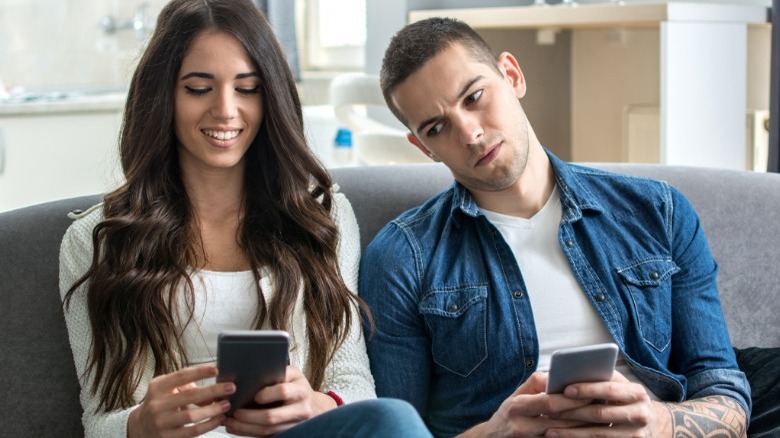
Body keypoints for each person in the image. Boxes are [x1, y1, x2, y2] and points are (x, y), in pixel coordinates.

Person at [359, 16, 752, 438]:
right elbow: (393, 431)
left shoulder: (659, 211)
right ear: (424, 148)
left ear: (512, 75)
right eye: (437, 128)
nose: (470, 134)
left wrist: (658, 422)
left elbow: (724, 391)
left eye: (474, 97)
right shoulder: (401, 257)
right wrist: (496, 432)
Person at [59, 1, 431, 437]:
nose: (226, 110)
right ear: (163, 96)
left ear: (270, 95)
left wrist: (313, 404)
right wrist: (138, 424)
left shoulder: (320, 217)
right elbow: (98, 419)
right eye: (199, 88)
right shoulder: (95, 239)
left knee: (392, 418)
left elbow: (352, 382)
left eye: (248, 88)